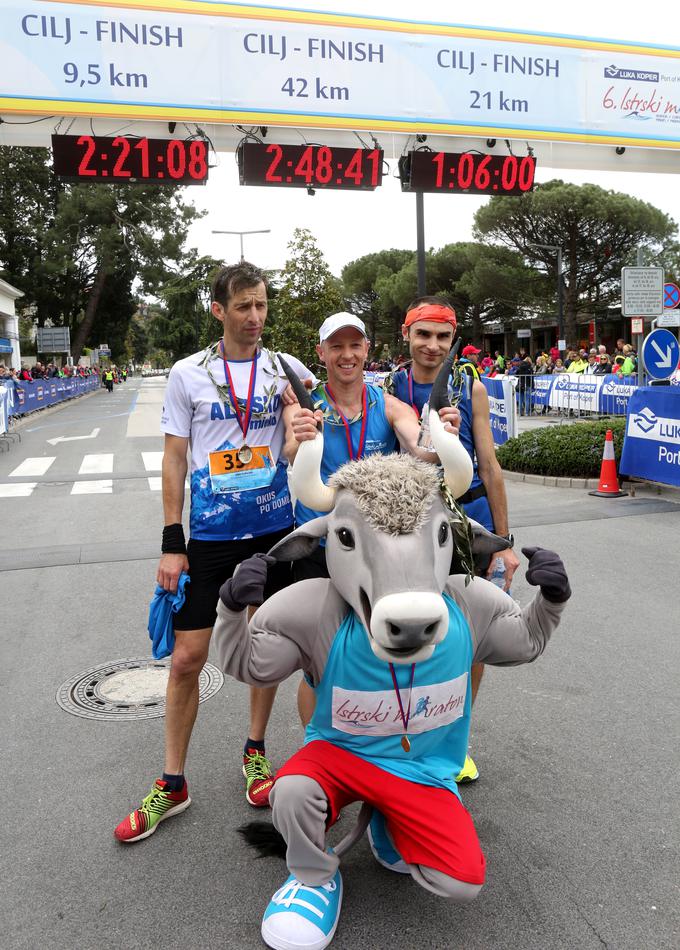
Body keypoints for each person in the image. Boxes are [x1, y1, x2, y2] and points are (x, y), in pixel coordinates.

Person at [114, 261, 316, 844]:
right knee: (186, 659)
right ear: (218, 311)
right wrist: (171, 542)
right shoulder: (188, 374)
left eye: (262, 305)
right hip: (208, 538)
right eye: (244, 306)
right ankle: (172, 782)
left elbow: (337, 399)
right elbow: (174, 457)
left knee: (268, 646)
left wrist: (304, 424)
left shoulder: (285, 368)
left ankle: (255, 751)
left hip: (273, 532)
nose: (255, 317)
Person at [283, 311, 461, 732]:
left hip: (378, 557)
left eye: (355, 345)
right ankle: (319, 748)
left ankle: (378, 750)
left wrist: (441, 435)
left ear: (367, 350)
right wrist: (301, 434)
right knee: (318, 662)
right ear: (321, 352)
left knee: (381, 652)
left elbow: (419, 448)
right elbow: (292, 452)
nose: (347, 355)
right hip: (322, 548)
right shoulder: (308, 409)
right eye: (337, 346)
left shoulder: (389, 404)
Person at [383, 297, 520, 782]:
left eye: (443, 336)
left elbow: (489, 463)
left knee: (468, 633)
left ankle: (457, 738)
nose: (433, 346)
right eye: (424, 335)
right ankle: (403, 735)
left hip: (468, 518)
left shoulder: (470, 387)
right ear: (407, 335)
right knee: (410, 629)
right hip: (414, 525)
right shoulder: (387, 388)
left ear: (453, 336)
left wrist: (502, 540)